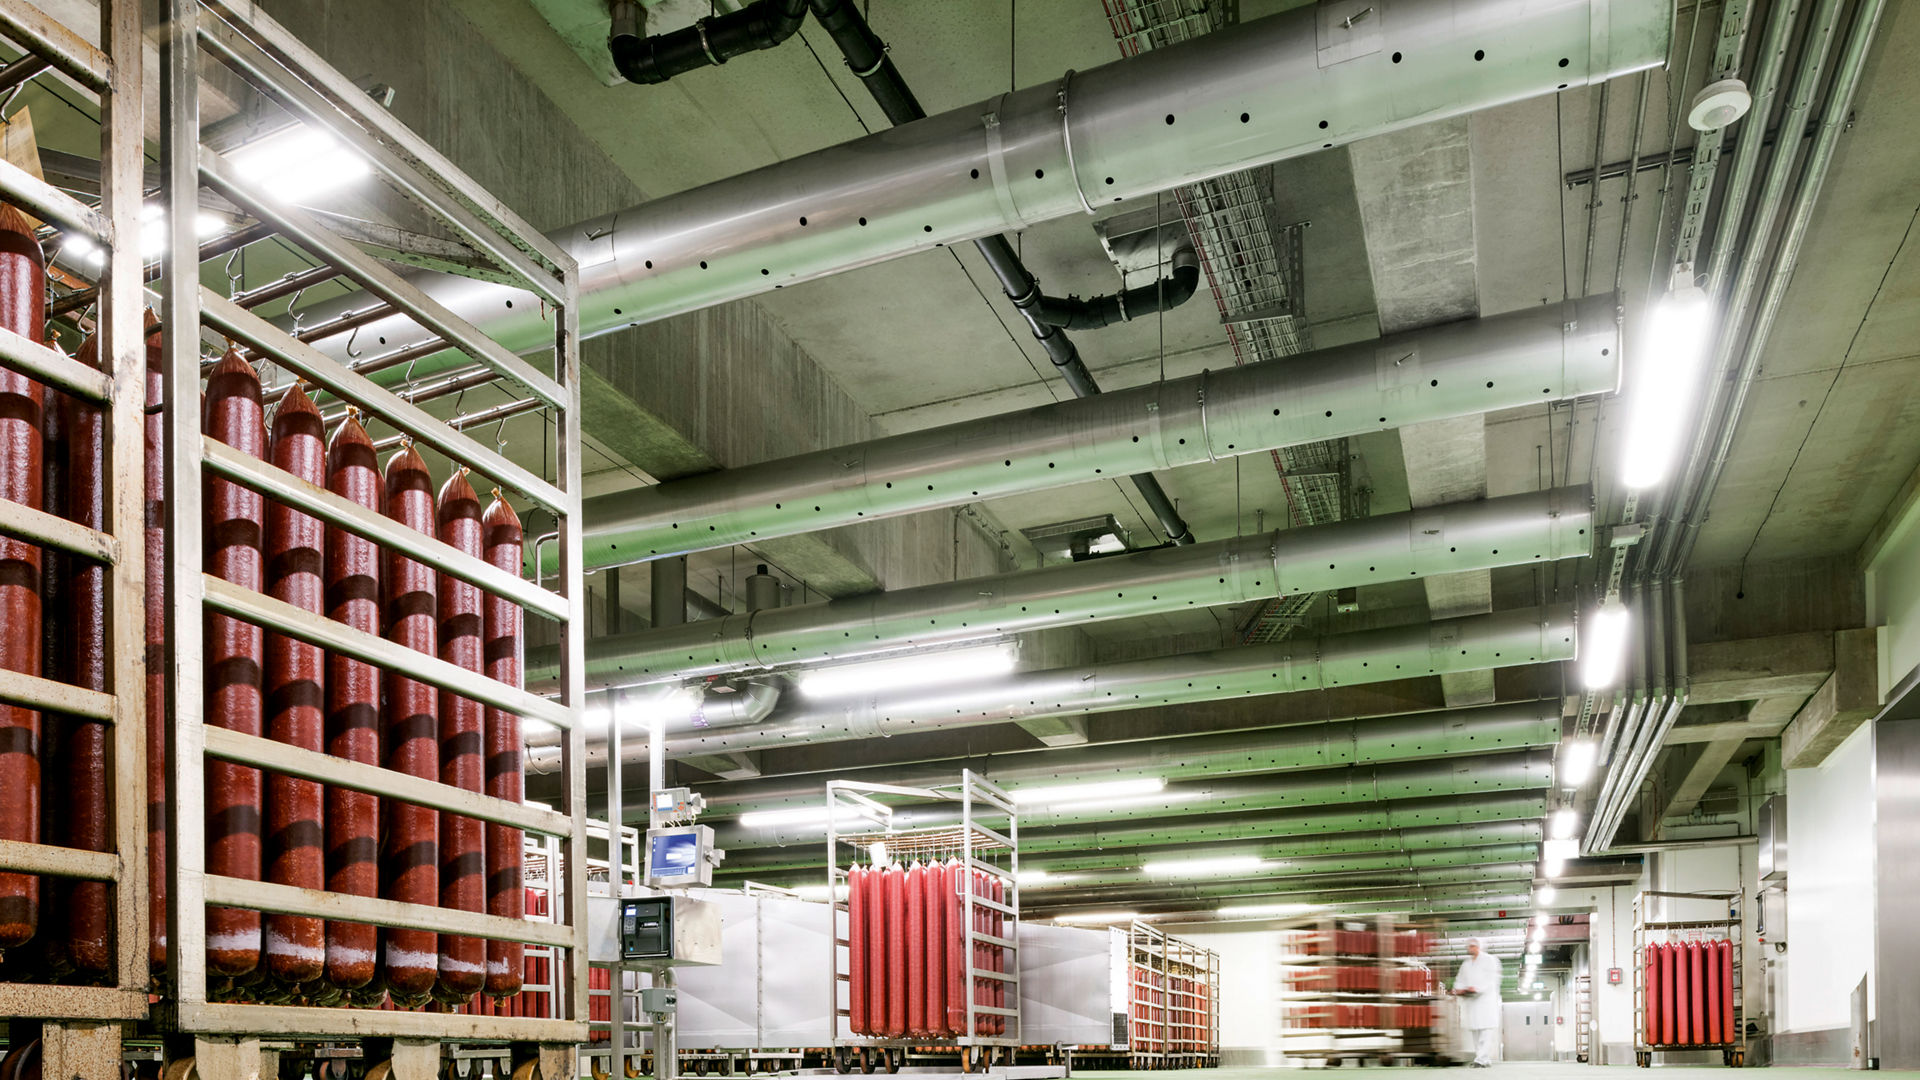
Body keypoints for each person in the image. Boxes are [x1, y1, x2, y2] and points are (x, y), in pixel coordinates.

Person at [1450, 938, 1503, 1067]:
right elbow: (1460, 979)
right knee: (1475, 1031)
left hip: (1486, 1001)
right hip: (1472, 1002)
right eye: (1469, 946)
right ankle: (1484, 1059)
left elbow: (1492, 980)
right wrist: (1458, 989)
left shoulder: (1490, 960)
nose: (1471, 948)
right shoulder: (1466, 964)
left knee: (1485, 1031)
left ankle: (1480, 1059)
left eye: (1473, 946)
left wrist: (1477, 988)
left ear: (1480, 947)